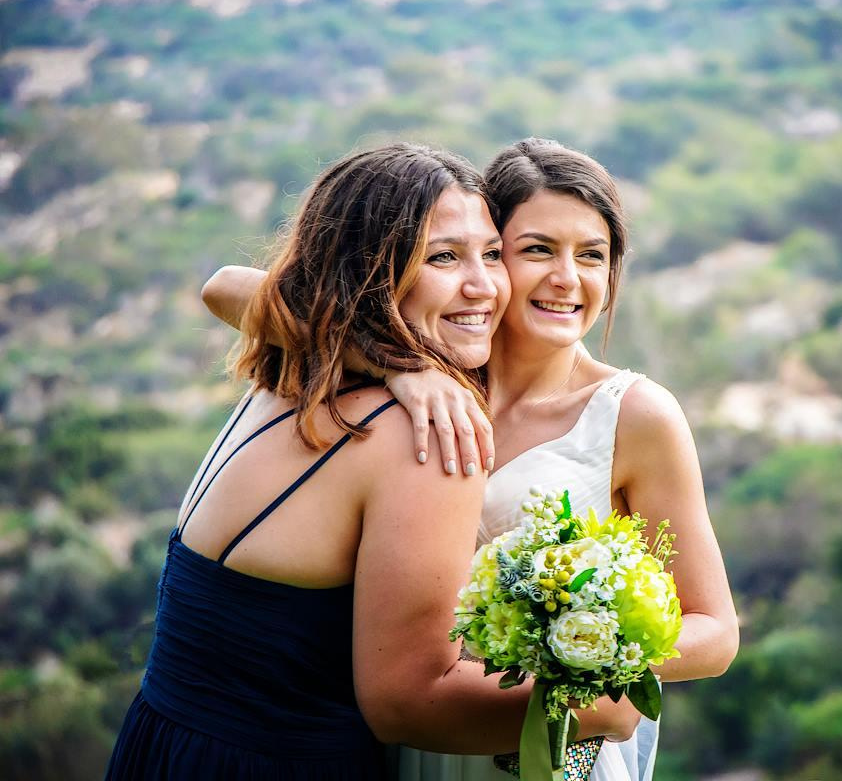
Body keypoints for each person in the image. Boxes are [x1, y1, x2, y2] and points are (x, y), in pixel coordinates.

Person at [202, 138, 739, 781]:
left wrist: (582, 658)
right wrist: (398, 365)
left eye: (591, 255)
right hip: (404, 735)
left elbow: (714, 630)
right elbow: (227, 288)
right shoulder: (433, 364)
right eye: (536, 249)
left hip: (536, 738)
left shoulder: (636, 416)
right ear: (491, 253)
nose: (567, 278)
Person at [106, 143, 638, 781]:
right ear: (370, 271)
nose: (483, 285)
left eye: (492, 253)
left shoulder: (294, 371)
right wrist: (604, 709)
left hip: (160, 744)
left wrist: (390, 358)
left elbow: (237, 290)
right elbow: (409, 701)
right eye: (443, 257)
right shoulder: (427, 436)